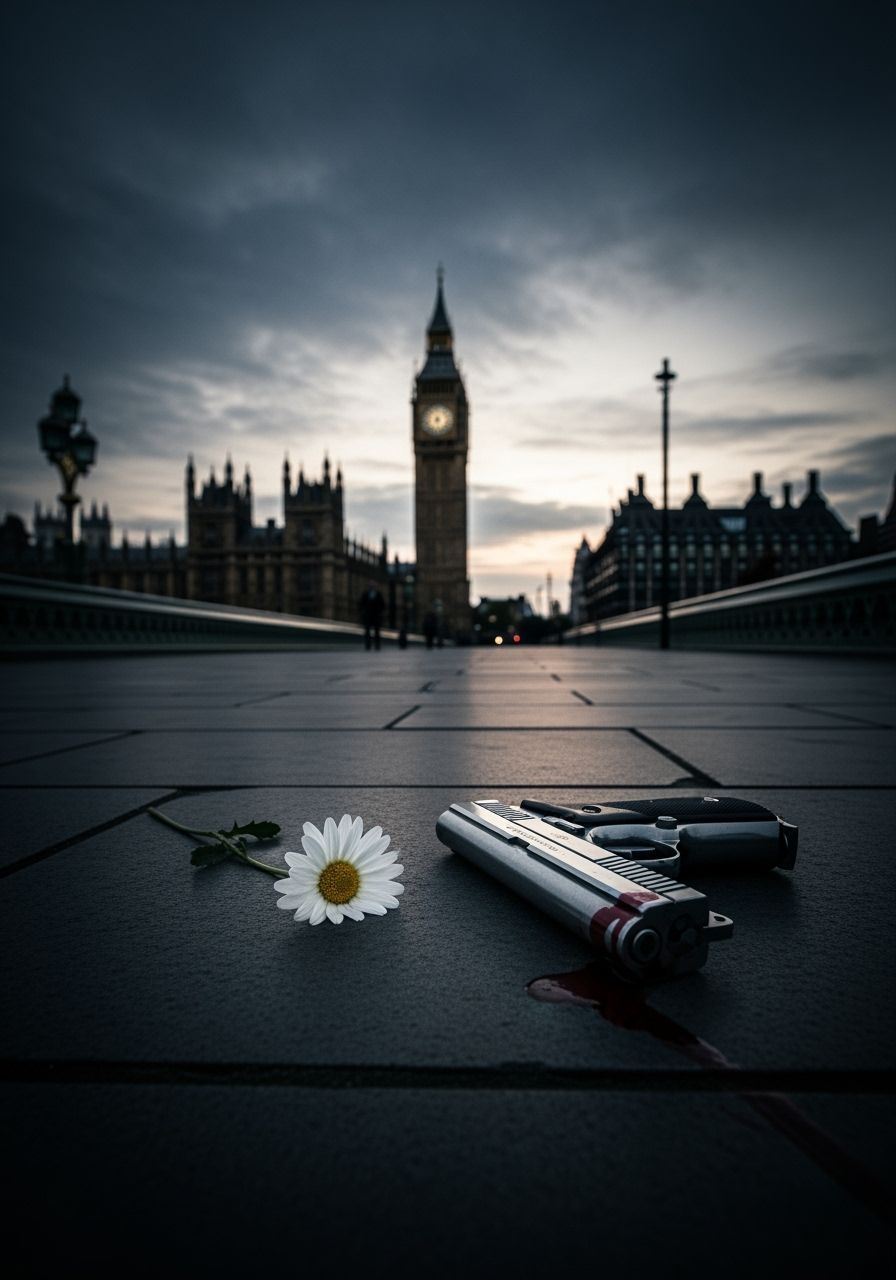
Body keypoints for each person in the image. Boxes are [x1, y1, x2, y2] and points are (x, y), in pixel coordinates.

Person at [359, 581, 385, 650]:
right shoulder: (366, 594)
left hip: (376, 616)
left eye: (373, 586)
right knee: (368, 631)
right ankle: (368, 645)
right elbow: (361, 604)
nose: (372, 587)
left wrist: (380, 612)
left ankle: (377, 645)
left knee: (376, 631)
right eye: (371, 586)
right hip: (368, 615)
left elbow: (382, 605)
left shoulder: (378, 594)